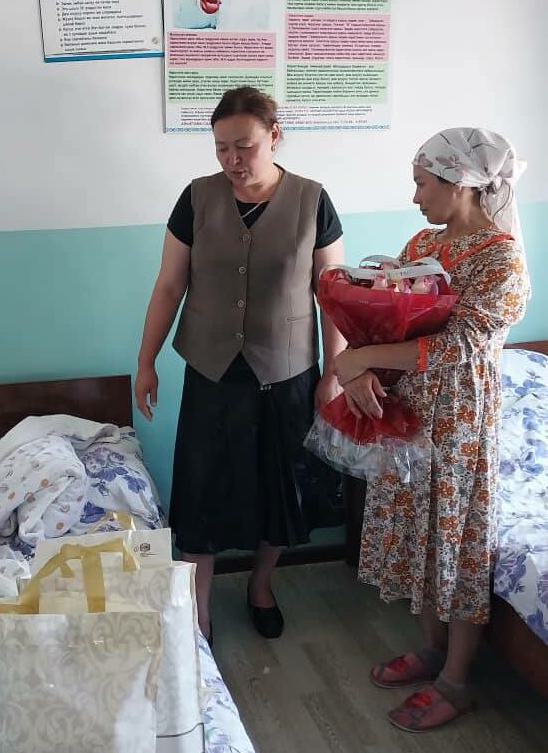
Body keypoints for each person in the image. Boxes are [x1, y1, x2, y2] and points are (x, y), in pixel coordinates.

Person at [334, 128, 531, 732]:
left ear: (460, 184)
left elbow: (457, 346)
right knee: (417, 532)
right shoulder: (423, 243)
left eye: (423, 184)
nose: (415, 196)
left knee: (457, 540)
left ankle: (456, 681)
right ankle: (430, 649)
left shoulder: (501, 259)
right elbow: (392, 320)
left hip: (461, 420)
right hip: (409, 410)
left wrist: (357, 361)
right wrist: (364, 366)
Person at [135, 86, 346, 643]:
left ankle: (261, 586)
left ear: (274, 136)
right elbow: (169, 284)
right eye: (222, 148)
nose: (233, 160)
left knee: (280, 488)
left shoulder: (312, 200)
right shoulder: (196, 198)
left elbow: (333, 296)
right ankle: (199, 609)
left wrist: (333, 373)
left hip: (287, 372)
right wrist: (146, 361)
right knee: (201, 489)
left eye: (244, 146)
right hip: (212, 371)